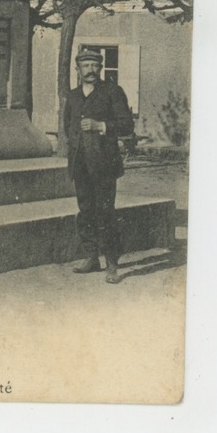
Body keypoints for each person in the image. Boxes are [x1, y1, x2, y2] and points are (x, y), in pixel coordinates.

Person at [64, 47, 136, 284]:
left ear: (101, 68)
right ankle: (91, 257)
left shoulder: (112, 91)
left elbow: (126, 126)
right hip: (80, 164)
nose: (91, 70)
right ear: (78, 69)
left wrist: (101, 126)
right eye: (86, 66)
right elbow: (68, 127)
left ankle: (112, 264)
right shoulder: (73, 96)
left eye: (95, 65)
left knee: (105, 213)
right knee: (86, 212)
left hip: (104, 165)